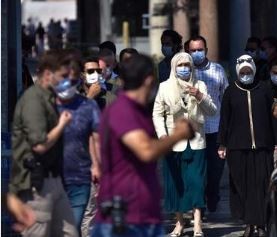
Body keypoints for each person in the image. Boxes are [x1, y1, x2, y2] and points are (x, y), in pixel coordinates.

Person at [91, 54, 195, 237]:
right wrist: (178, 134)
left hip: (144, 217)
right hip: (125, 220)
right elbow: (145, 151)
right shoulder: (123, 110)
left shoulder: (138, 110)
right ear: (148, 80)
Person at [9, 50, 78, 236]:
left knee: (70, 232)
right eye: (63, 76)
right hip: (36, 185)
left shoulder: (48, 99)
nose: (66, 81)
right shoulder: (33, 100)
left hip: (53, 180)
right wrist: (62, 124)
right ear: (48, 73)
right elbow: (39, 145)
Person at [217, 55, 277, 237]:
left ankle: (261, 224)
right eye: (243, 72)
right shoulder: (231, 91)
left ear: (253, 71)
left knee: (261, 185)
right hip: (238, 148)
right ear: (238, 73)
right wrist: (222, 144)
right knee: (243, 187)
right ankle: (249, 223)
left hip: (263, 146)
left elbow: (273, 118)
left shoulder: (264, 90)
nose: (246, 75)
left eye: (249, 72)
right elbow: (225, 120)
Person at [153, 52, 217, 237]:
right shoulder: (164, 87)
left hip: (197, 141)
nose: (184, 68)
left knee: (197, 183)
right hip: (173, 143)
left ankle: (197, 224)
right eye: (180, 65)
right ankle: (179, 223)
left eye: (187, 65)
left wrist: (199, 96)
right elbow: (157, 113)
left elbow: (212, 111)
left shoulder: (200, 84)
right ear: (174, 67)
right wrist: (163, 135)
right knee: (175, 184)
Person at [55, 60, 101, 237]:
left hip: (89, 168)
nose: (95, 73)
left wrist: (98, 165)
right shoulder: (63, 99)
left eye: (98, 70)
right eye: (90, 70)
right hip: (63, 171)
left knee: (88, 215)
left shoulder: (110, 94)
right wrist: (90, 96)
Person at [188, 35, 229, 213]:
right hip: (195, 130)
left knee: (215, 170)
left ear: (206, 50)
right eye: (193, 50)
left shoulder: (218, 70)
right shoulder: (186, 71)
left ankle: (212, 195)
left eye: (200, 49)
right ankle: (199, 205)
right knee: (197, 171)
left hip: (215, 128)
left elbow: (226, 97)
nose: (197, 53)